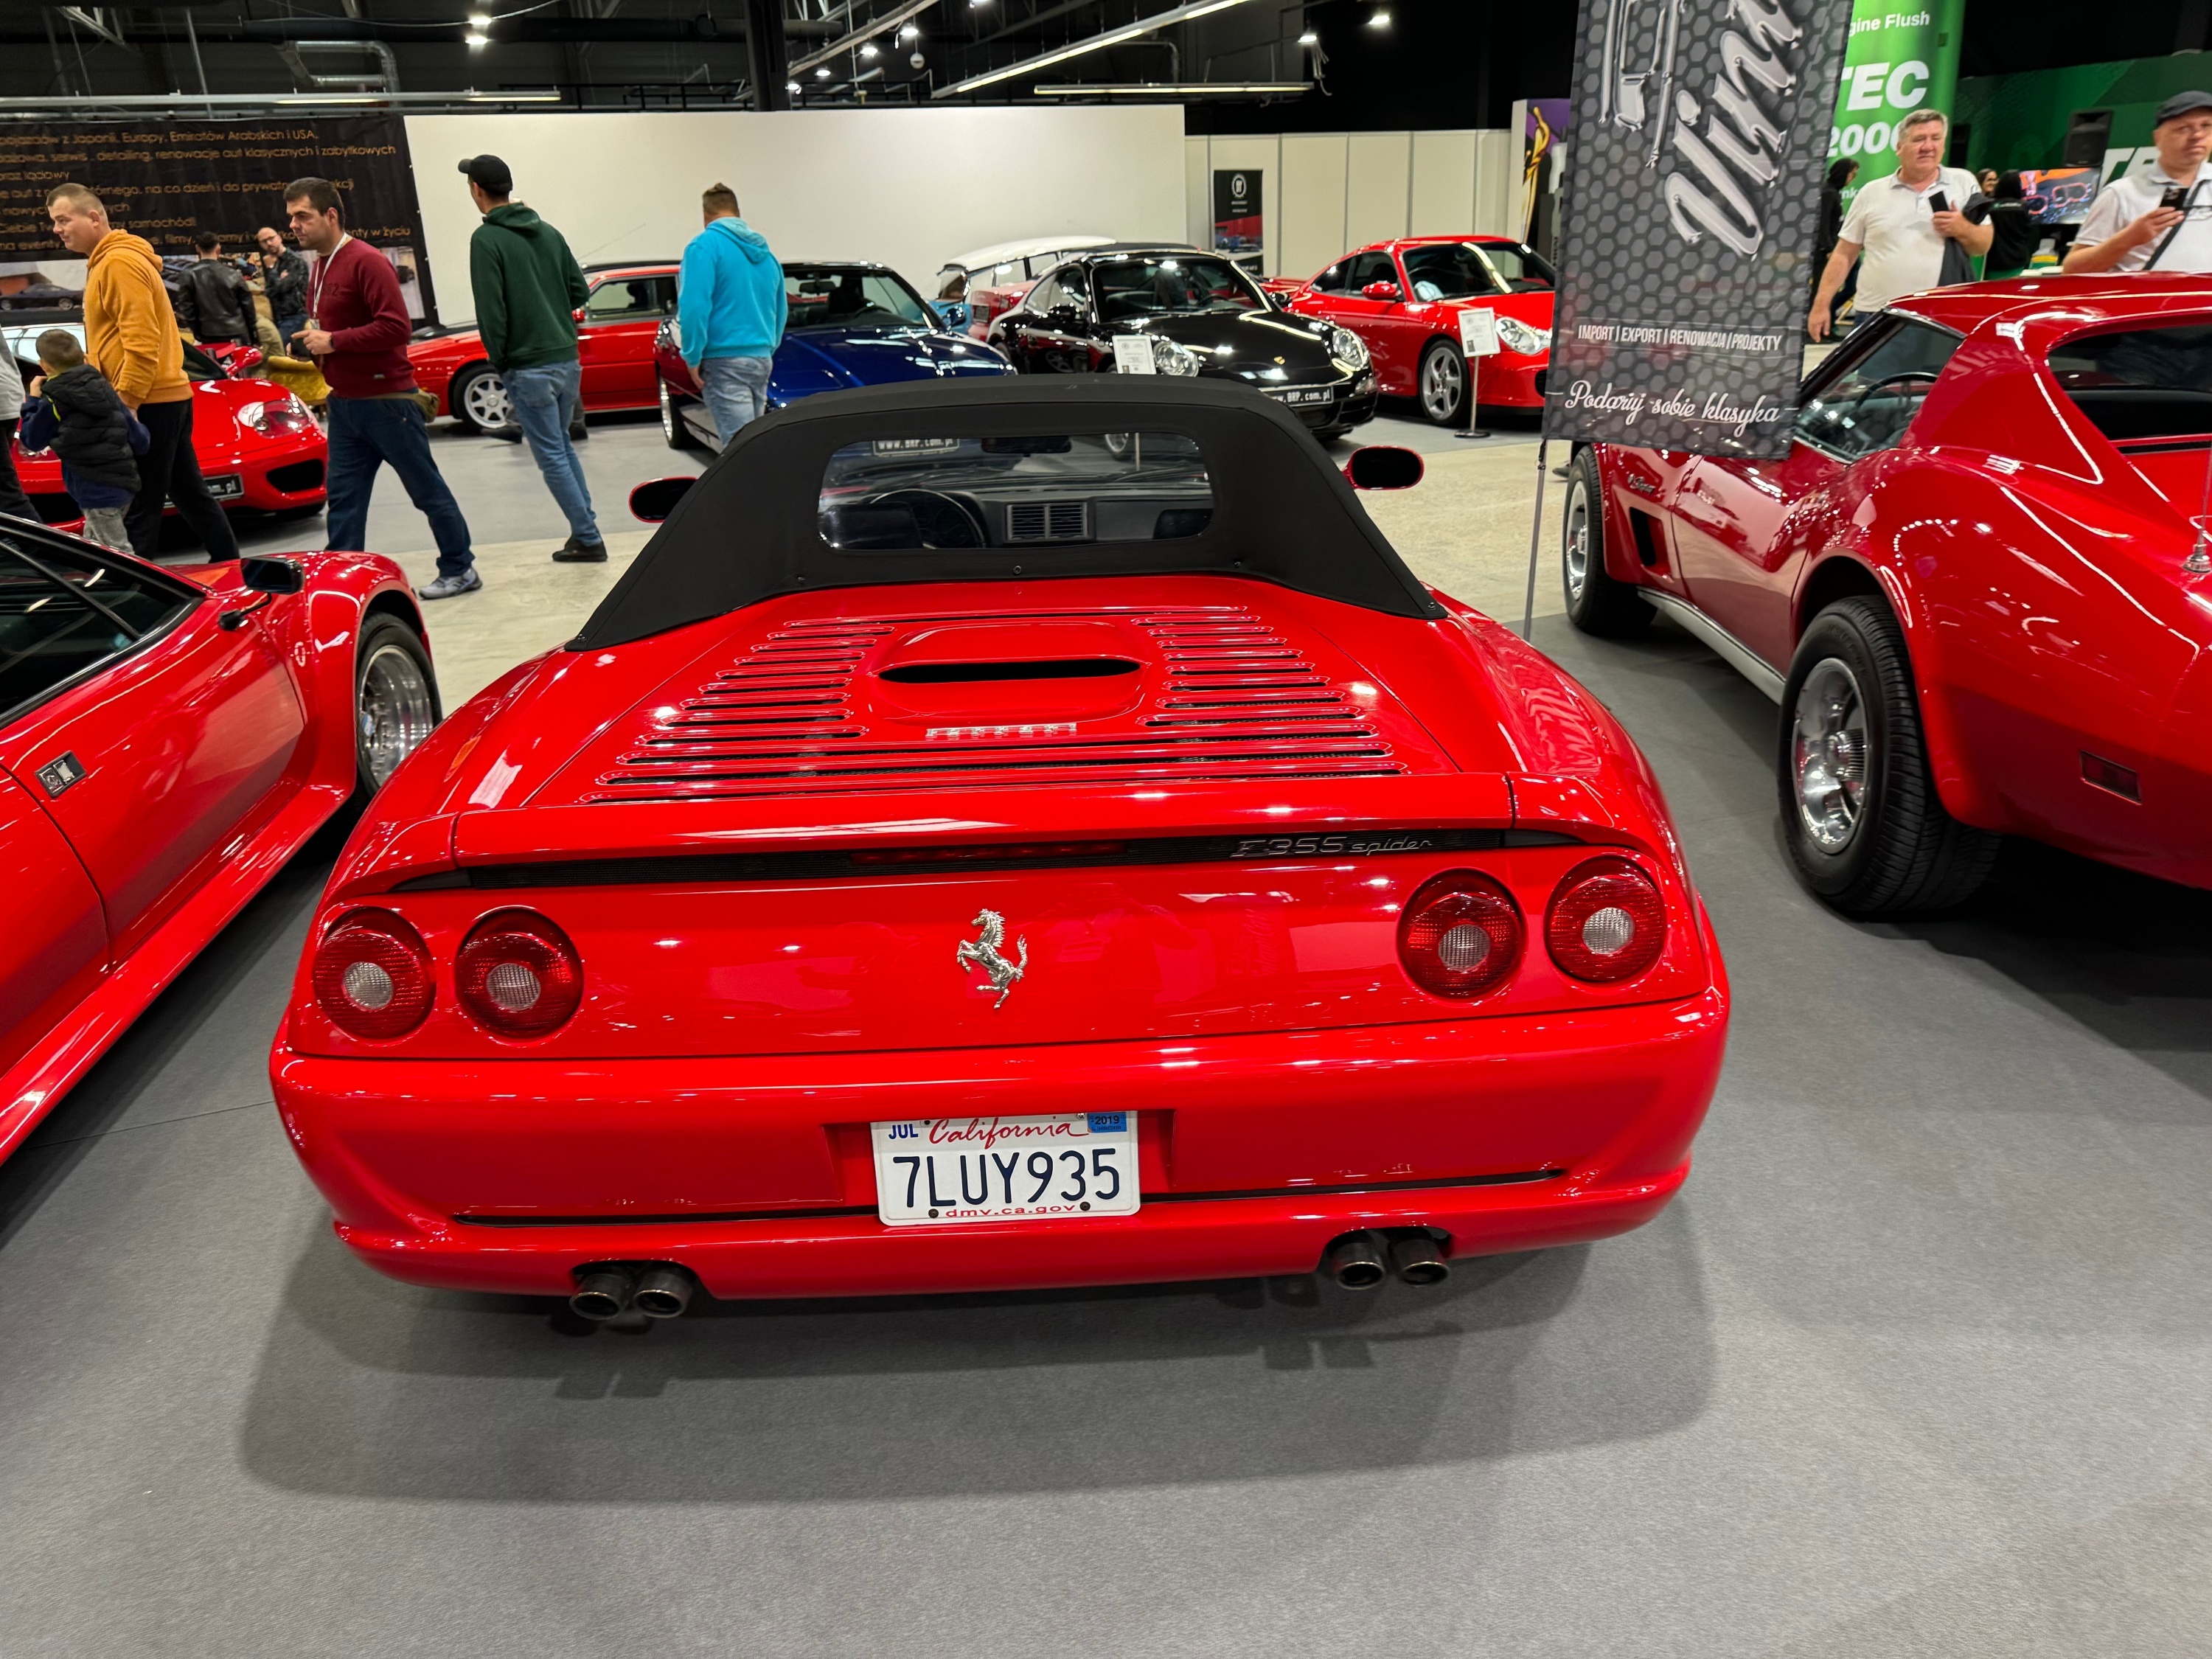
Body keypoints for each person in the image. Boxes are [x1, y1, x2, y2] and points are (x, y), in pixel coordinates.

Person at [285, 175, 479, 601]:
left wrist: (334, 341)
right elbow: (332, 328)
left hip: (388, 405)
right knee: (344, 501)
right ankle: (340, 583)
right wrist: (312, 346)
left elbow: (396, 327)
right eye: (291, 217)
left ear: (330, 215)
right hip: (345, 404)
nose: (294, 225)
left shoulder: (367, 261)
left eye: (303, 215)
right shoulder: (320, 265)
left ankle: (460, 568)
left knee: (427, 492)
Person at [45, 183, 240, 562]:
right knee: (188, 494)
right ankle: (231, 565)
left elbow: (141, 338)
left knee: (139, 505)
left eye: (64, 220)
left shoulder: (118, 264)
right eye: (55, 221)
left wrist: (128, 401)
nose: (57, 229)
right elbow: (121, 339)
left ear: (94, 217)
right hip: (163, 396)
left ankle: (134, 591)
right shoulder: (110, 262)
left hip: (149, 400)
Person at [459, 153, 605, 563]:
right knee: (562, 447)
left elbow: (492, 312)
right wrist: (547, 308)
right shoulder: (549, 232)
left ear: (476, 190)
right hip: (566, 359)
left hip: (527, 366)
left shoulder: (486, 240)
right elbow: (579, 292)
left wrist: (501, 360)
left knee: (552, 455)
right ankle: (586, 530)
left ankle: (589, 538)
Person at [1808, 110, 1988, 342]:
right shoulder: (1872, 192)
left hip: (1942, 318)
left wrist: (1962, 228)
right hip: (1877, 316)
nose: (1927, 146)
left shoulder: (1963, 183)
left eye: (1935, 138)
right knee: (1872, 369)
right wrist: (1821, 305)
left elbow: (1982, 246)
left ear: (1943, 145)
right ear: (1899, 147)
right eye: (1918, 139)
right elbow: (1844, 254)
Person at [676, 181, 785, 445]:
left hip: (724, 360)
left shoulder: (704, 247)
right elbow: (780, 310)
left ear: (706, 215)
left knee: (738, 449)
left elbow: (694, 307)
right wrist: (766, 348)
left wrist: (692, 356)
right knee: (753, 443)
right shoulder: (766, 254)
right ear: (738, 212)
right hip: (761, 358)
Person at [2062, 90, 2212, 276]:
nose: (2197, 135)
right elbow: (2073, 270)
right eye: (2183, 128)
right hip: (2149, 295)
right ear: (2158, 137)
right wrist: (2129, 238)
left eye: (2206, 125)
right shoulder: (2121, 194)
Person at [19, 328, 142, 552]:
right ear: (85, 357)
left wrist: (33, 400)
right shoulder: (105, 388)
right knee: (94, 546)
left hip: (93, 489)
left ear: (44, 365)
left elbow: (32, 440)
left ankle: (140, 577)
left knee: (118, 552)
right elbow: (139, 438)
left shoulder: (54, 400)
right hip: (125, 481)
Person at [175, 232, 254, 347]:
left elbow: (186, 308)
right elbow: (248, 308)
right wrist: (254, 338)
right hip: (238, 334)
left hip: (209, 335)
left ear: (197, 248)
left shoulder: (188, 275)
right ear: (218, 248)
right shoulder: (234, 274)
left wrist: (198, 332)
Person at [1811, 157, 1857, 315]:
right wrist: (1829, 249)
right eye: (1852, 174)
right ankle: (1814, 324)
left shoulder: (1834, 193)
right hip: (1825, 252)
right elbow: (1822, 225)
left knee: (1849, 286)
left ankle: (1828, 318)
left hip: (1836, 248)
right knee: (1821, 290)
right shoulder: (1828, 194)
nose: (1852, 178)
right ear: (1843, 173)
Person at [255, 224, 310, 350]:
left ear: (279, 238)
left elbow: (283, 287)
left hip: (296, 315)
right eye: (264, 241)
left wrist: (271, 270)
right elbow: (269, 292)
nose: (269, 243)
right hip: (277, 317)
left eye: (271, 238)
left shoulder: (295, 261)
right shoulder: (272, 262)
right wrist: (278, 278)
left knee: (275, 349)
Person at [1981, 173, 2039, 279]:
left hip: (1995, 260)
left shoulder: (1990, 207)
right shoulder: (2024, 207)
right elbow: (2028, 229)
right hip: (2018, 259)